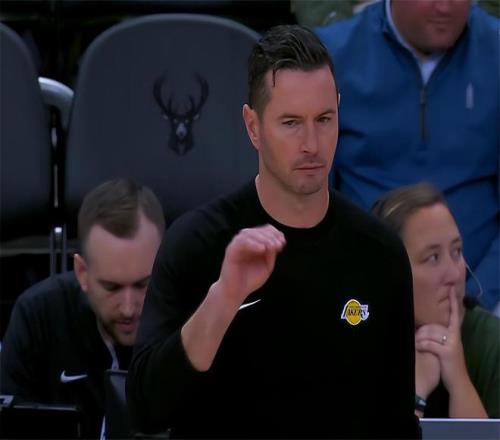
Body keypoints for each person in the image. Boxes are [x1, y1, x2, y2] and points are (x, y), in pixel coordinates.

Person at [127, 25, 420, 439]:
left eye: (324, 119)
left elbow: (398, 425)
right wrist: (224, 298)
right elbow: (145, 410)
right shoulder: (198, 243)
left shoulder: (379, 253)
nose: (312, 143)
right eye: (291, 123)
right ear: (253, 126)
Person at [315, 0, 500, 313]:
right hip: (358, 294)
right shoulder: (329, 58)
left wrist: (473, 302)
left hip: (484, 298)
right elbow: (304, 201)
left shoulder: (495, 51)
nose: (445, 7)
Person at [0, 178, 165, 438]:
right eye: (112, 287)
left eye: (144, 284)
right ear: (82, 272)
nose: (128, 308)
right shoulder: (38, 317)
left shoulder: (190, 319)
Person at [372, 182, 500, 418]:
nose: (454, 275)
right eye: (433, 258)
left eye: (457, 252)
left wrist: (459, 382)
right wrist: (417, 390)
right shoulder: (361, 340)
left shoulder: (492, 342)